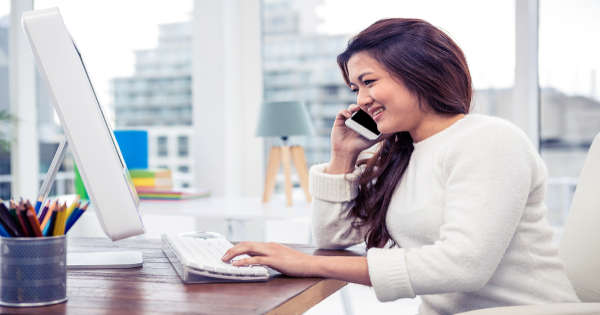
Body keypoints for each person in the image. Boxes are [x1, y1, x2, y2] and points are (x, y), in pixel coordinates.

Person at [222, 18, 580, 314]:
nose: (361, 100)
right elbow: (333, 239)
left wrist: (308, 263)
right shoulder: (401, 154)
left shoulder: (489, 140)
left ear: (419, 70)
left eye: (369, 82)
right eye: (354, 88)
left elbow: (462, 266)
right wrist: (342, 158)